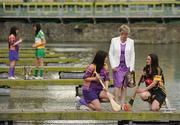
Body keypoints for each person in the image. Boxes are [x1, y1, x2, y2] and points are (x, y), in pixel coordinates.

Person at [109, 24, 135, 108]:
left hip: (126, 67)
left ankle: (123, 103)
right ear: (120, 33)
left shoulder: (131, 41)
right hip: (117, 66)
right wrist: (113, 66)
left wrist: (132, 68)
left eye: (127, 34)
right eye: (123, 34)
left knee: (124, 86)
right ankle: (116, 103)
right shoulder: (114, 40)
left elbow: (132, 55)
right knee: (117, 85)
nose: (125, 36)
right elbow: (111, 54)